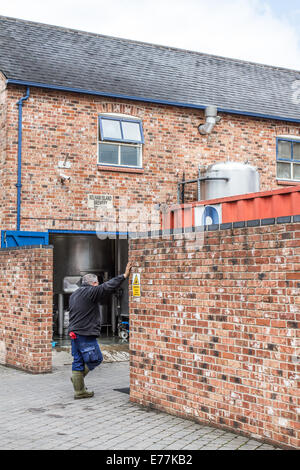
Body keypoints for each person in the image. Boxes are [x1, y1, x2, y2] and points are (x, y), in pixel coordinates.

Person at [68, 261, 132, 399]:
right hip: (85, 333)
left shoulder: (76, 293)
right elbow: (107, 287)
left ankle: (79, 390)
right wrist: (124, 276)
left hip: (74, 333)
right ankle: (77, 381)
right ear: (94, 283)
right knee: (95, 359)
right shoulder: (91, 292)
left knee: (78, 360)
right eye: (97, 283)